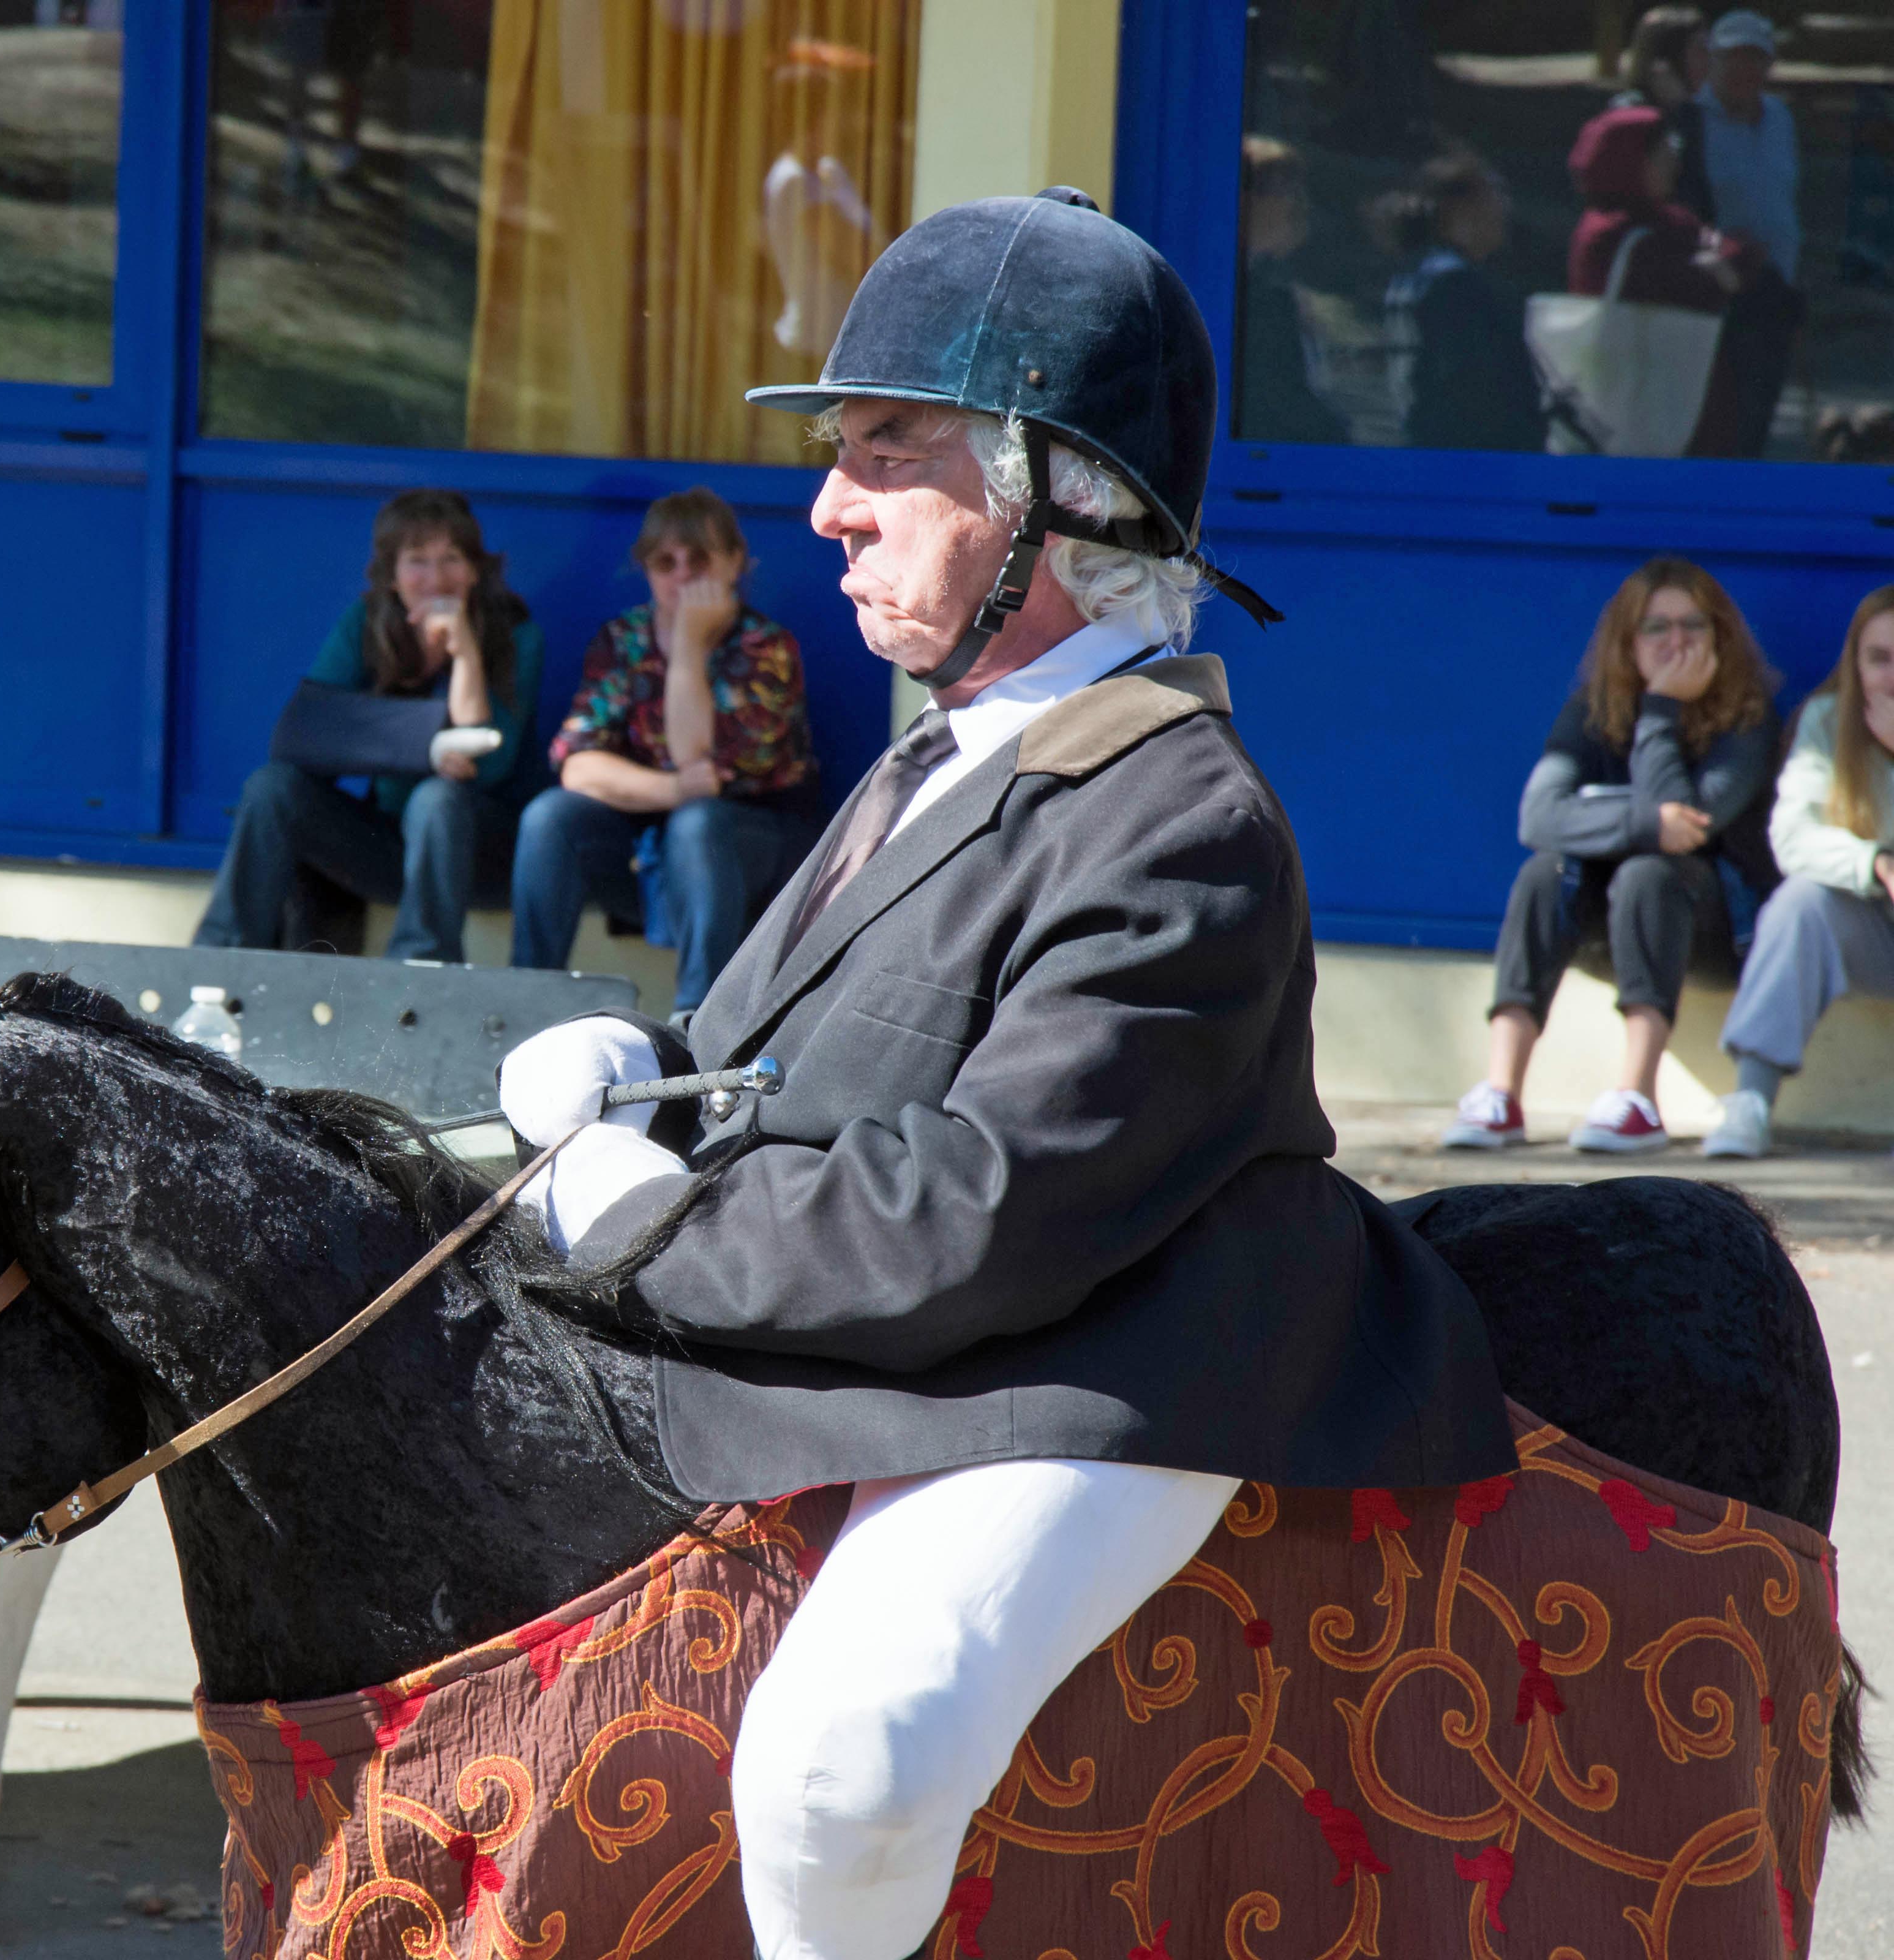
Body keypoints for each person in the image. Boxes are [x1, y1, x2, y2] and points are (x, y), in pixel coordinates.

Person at [494, 190, 1513, 1960]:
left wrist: (655, 1233)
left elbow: (982, 1210)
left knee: (844, 1764)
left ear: (1059, 496)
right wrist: (631, 1073)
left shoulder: (1183, 814)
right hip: (931, 1327)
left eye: (888, 455)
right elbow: (752, 1064)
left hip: (1100, 1368)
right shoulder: (928, 763)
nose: (827, 506)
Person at [1442, 559, 1778, 1154]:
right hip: (1603, 924)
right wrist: (1646, 821)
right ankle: (1500, 1091)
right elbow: (1539, 815)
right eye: (1657, 627)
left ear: (1719, 637)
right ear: (1628, 641)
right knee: (1545, 870)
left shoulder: (1748, 724)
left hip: (1713, 933)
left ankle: (1637, 1097)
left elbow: (1689, 825)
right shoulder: (1593, 714)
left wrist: (1660, 712)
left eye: (1693, 626)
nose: (1677, 641)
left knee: (1651, 870)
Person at [194, 489, 541, 965]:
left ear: (476, 569)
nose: (436, 578)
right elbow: (301, 735)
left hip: (483, 857)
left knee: (437, 798)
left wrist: (464, 652)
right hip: (387, 849)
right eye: (417, 560)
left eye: (452, 559)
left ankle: (420, 967)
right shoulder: (368, 623)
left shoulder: (518, 635)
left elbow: (492, 763)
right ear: (392, 577)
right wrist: (428, 746)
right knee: (272, 787)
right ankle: (220, 961)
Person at [509, 489, 818, 1014]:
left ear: (735, 563)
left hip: (750, 842)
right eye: (664, 563)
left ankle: (698, 1015)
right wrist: (673, 789)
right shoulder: (623, 638)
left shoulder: (766, 646)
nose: (681, 577)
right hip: (649, 834)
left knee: (698, 823)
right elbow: (578, 762)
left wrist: (688, 647)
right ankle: (527, 1000)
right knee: (550, 817)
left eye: (698, 561)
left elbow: (696, 758)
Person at [1707, 586, 1894, 1156]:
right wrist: (1876, 862)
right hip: (1874, 930)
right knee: (1801, 903)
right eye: (1879, 659)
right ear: (1854, 663)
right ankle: (1751, 1102)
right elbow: (1793, 838)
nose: (1893, 677)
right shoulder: (1828, 722)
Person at [1563, 104, 1763, 453]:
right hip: (1640, 410)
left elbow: (1741, 253)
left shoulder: (1668, 220)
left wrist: (1725, 264)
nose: (1675, 159)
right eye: (1662, 151)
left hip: (1681, 399)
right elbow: (1701, 286)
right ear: (1630, 162)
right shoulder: (1611, 236)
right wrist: (1721, 270)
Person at [1377, 154, 1546, 451]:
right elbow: (1481, 391)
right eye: (1494, 195)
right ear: (1459, 209)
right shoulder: (1455, 285)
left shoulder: (1411, 276)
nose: (1504, 209)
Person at [1695, 9, 1805, 456]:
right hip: (1723, 285)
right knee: (1722, 416)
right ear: (1712, 61)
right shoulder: (1693, 119)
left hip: (1777, 286)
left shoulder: (1779, 117)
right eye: (1733, 58)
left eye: (1755, 59)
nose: (1744, 70)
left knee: (1761, 411)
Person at [1236, 135, 1345, 445]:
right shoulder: (1248, 302)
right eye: (1287, 191)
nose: (1302, 206)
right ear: (1245, 199)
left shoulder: (1282, 290)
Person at [1610, 6, 1716, 221]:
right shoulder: (1630, 113)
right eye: (1700, 51)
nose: (1709, 62)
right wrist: (1674, 113)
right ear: (1671, 57)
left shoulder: (1693, 111)